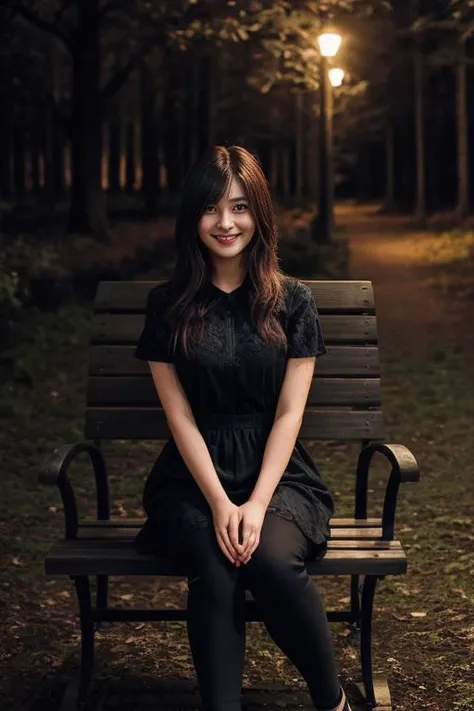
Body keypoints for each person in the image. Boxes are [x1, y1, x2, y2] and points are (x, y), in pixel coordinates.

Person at [133, 145, 352, 711]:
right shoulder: (168, 305)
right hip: (191, 476)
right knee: (214, 556)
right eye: (211, 209)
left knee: (269, 559)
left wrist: (254, 504)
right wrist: (218, 501)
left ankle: (332, 702)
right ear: (193, 217)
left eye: (238, 207)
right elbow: (178, 414)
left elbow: (288, 413)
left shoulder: (293, 302)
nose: (225, 223)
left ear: (259, 212)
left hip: (277, 477)